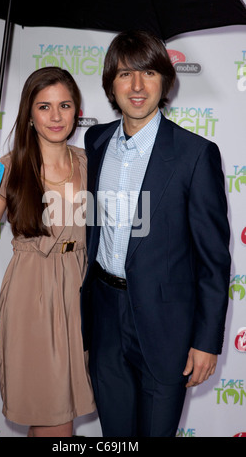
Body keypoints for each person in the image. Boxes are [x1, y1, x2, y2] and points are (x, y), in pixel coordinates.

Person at [81, 31, 231, 437]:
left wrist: (207, 341)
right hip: (106, 317)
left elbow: (213, 260)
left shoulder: (195, 155)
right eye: (126, 73)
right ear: (111, 83)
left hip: (168, 327)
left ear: (165, 80)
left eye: (148, 72)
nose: (136, 86)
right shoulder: (94, 142)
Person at [0, 67, 95, 437]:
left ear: (76, 111)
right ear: (29, 115)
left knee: (61, 412)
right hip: (32, 294)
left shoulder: (90, 162)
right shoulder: (10, 166)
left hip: (82, 293)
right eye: (44, 107)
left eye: (64, 106)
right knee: (52, 415)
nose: (55, 117)